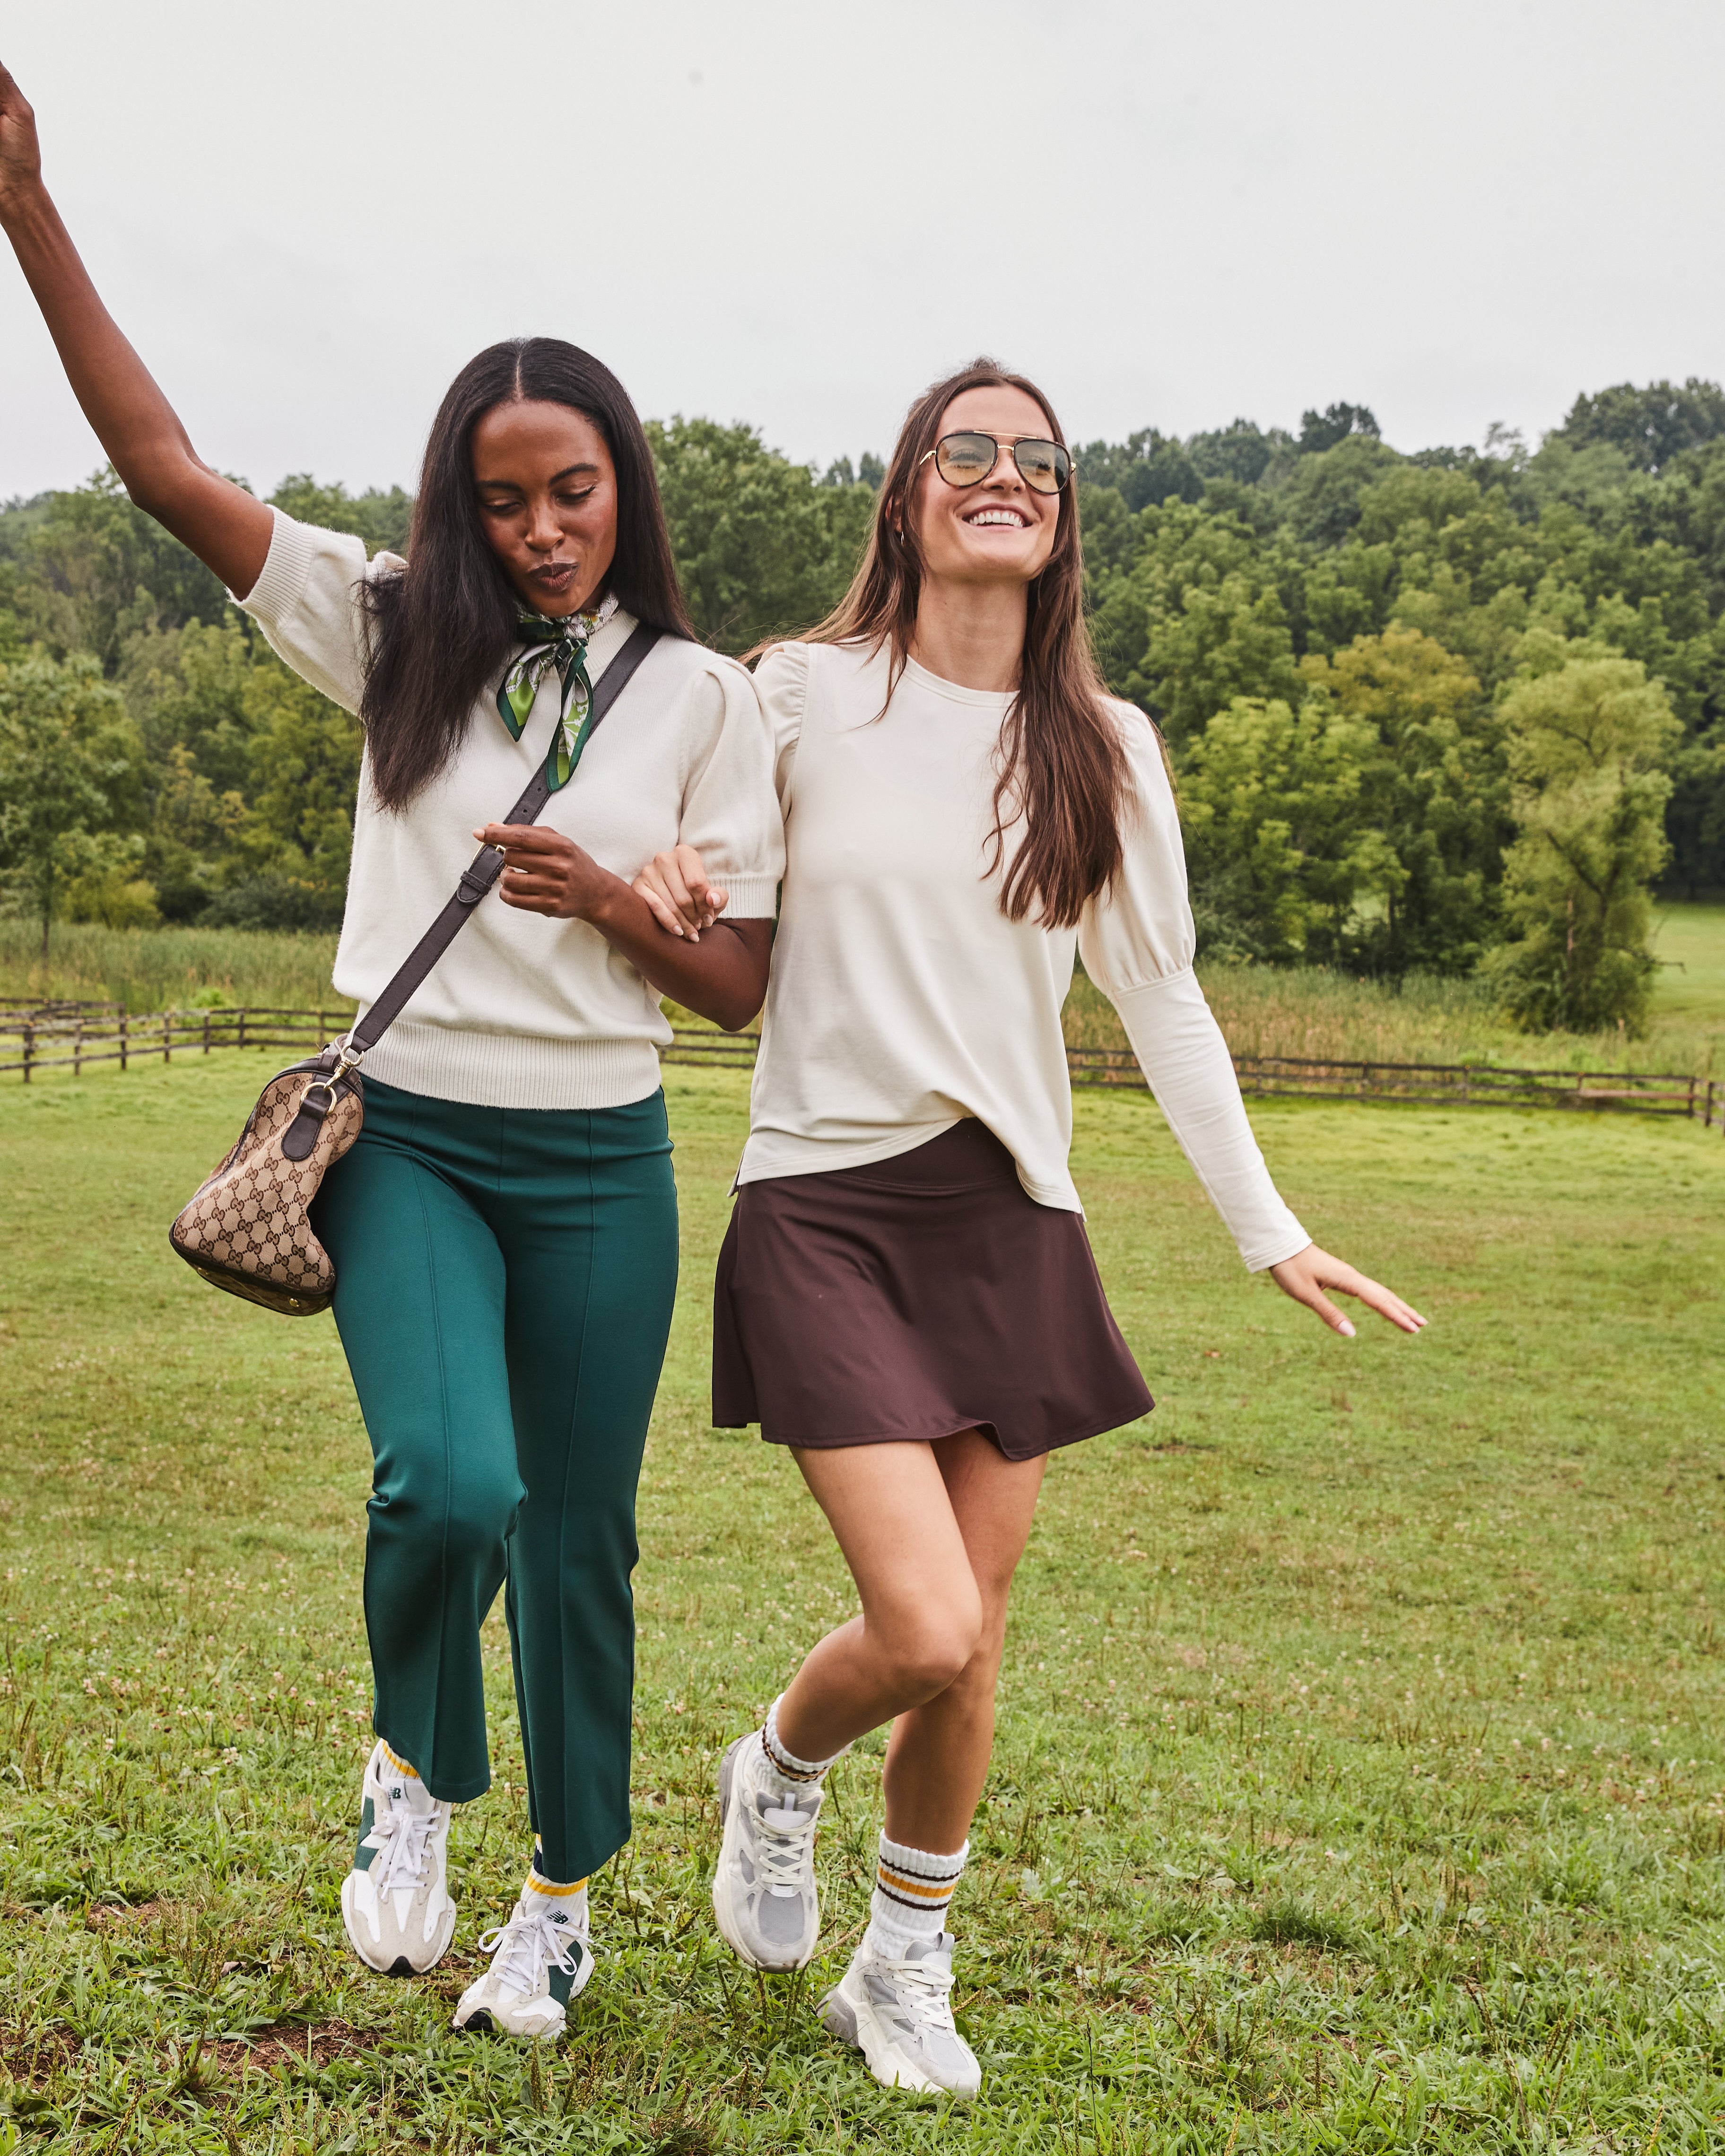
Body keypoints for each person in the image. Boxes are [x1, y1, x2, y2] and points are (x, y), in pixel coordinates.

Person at [0, 64, 782, 2042]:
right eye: (504, 496)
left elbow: (744, 985)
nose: (540, 530)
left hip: (603, 1161)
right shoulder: (385, 626)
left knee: (582, 1536)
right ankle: (413, 1773)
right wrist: (26, 209)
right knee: (449, 1488)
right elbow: (168, 467)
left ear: (629, 485)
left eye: (574, 490)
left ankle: (564, 1899)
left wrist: (608, 905)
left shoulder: (702, 696)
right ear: (460, 500)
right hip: (414, 1139)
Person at [633, 358, 1426, 2099]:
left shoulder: (1107, 745)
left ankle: (901, 1968)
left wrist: (1267, 1230)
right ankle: (773, 1771)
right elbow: (711, 887)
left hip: (1015, 1221)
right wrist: (679, 876)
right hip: (825, 1202)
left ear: (1062, 513)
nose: (1007, 473)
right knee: (918, 1627)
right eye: (968, 448)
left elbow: (1165, 1003)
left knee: (975, 1642)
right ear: (910, 490)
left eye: (1039, 459)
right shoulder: (799, 693)